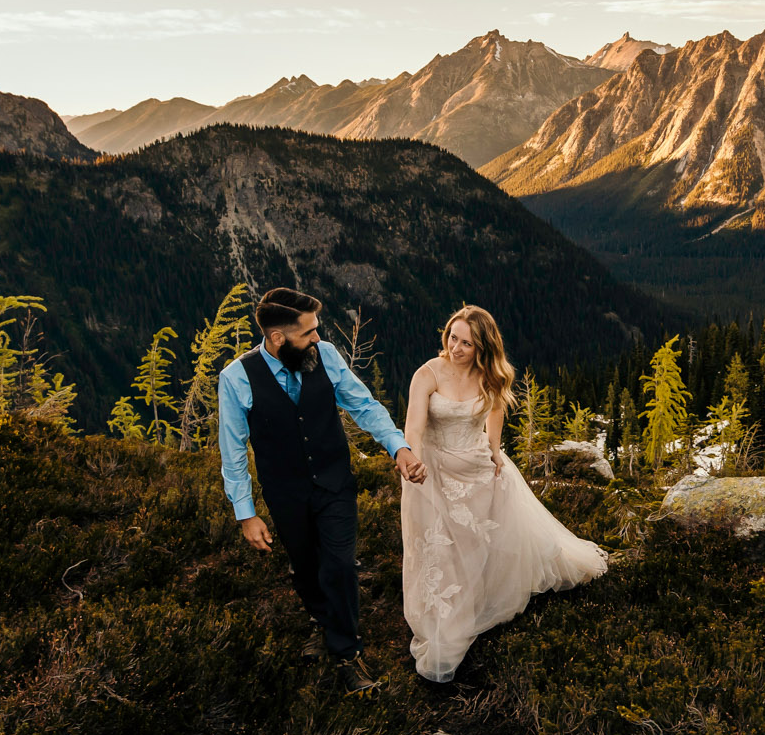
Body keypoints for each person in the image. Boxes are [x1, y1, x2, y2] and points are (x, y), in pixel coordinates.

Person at [220, 287, 426, 691]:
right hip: (285, 492)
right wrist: (245, 512)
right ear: (278, 338)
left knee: (339, 564)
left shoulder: (325, 356)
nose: (317, 337)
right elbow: (233, 450)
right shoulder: (236, 377)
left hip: (334, 482)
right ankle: (322, 620)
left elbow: (363, 405)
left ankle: (347, 652)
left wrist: (398, 446)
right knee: (306, 567)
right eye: (308, 332)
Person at [401, 305, 607, 684]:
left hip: (476, 465)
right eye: (453, 337)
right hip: (432, 470)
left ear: (482, 347)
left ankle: (481, 595)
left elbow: (494, 411)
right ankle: (449, 619)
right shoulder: (427, 373)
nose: (456, 348)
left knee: (481, 540)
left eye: (467, 343)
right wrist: (410, 457)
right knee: (441, 546)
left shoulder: (490, 375)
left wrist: (494, 449)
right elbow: (413, 425)